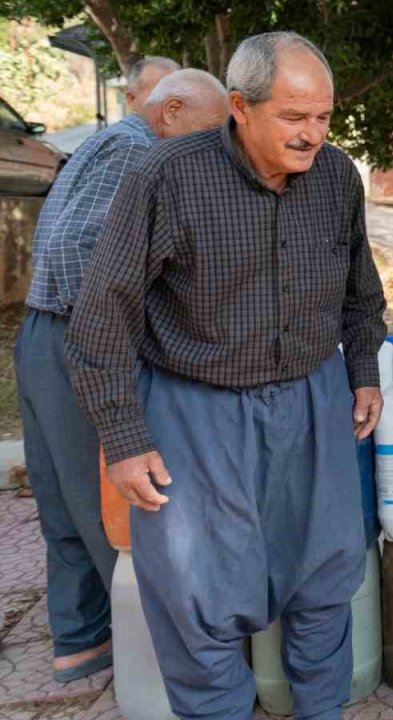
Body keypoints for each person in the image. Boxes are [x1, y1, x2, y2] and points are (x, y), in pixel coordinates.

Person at [65, 32, 386, 719]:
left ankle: (322, 710)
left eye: (324, 118)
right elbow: (103, 312)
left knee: (326, 577)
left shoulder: (335, 177)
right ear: (239, 106)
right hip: (196, 409)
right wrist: (122, 436)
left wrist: (362, 369)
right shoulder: (167, 176)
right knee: (198, 593)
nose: (312, 136)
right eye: (294, 118)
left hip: (310, 399)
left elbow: (362, 289)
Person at [15, 68, 226, 684]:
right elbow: (87, 251)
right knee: (109, 506)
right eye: (208, 133)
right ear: (172, 111)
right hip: (77, 339)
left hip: (44, 334)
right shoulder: (136, 152)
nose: (210, 150)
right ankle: (145, 654)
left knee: (63, 497)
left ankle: (80, 641)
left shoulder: (107, 145)